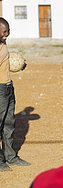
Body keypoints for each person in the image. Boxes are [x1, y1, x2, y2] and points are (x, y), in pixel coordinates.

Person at [0, 17, 30, 172]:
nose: (7, 35)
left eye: (8, 31)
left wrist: (18, 64)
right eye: (4, 32)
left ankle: (11, 157)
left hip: (7, 88)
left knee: (9, 124)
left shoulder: (3, 43)